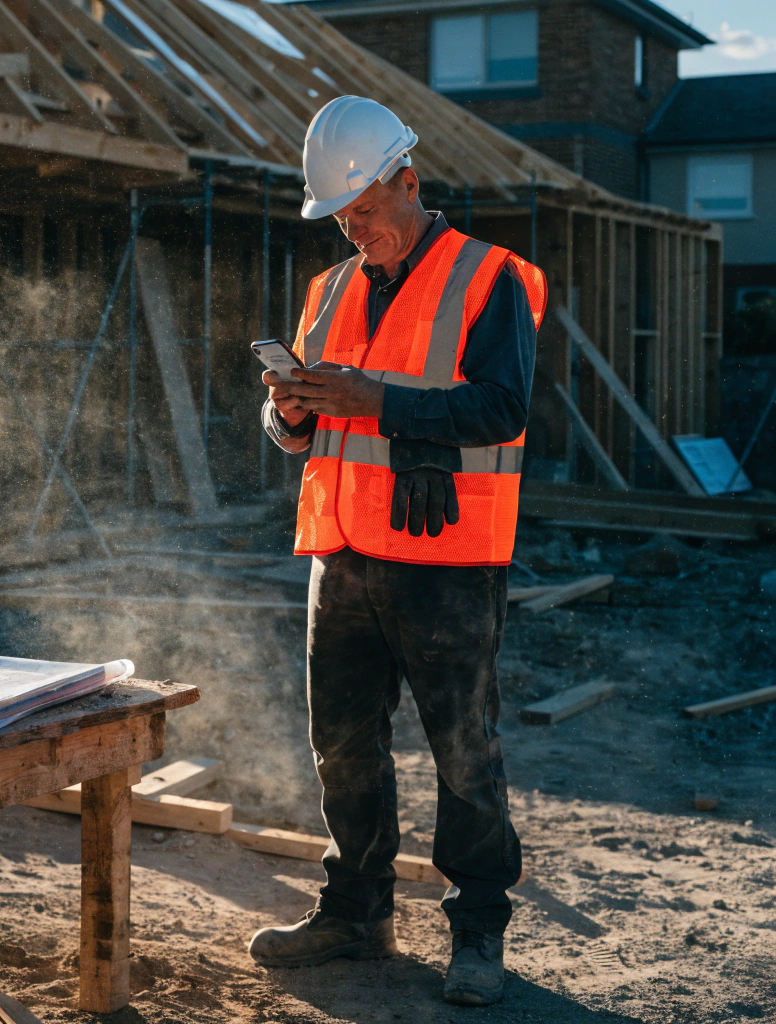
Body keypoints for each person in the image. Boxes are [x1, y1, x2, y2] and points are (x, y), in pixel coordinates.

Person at [248, 95, 546, 1008]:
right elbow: (304, 424)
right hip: (340, 550)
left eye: (366, 213)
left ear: (408, 182)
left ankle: (480, 929)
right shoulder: (329, 291)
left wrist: (379, 402)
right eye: (340, 217)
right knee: (342, 745)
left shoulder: (490, 278)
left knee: (463, 750)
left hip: (447, 558)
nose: (354, 230)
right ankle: (356, 910)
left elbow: (503, 407)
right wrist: (289, 415)